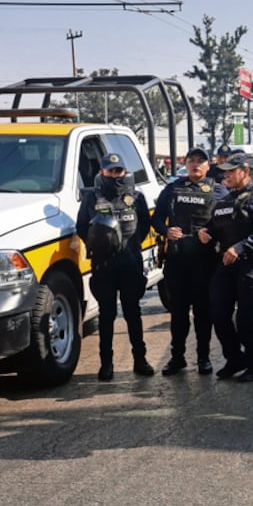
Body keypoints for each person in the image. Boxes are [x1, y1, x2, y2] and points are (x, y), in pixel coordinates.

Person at [75, 152, 154, 381]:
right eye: (110, 171)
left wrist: (128, 248)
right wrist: (101, 245)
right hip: (104, 264)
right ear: (102, 172)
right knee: (106, 315)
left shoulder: (136, 197)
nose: (115, 175)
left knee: (133, 313)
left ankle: (140, 360)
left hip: (130, 263)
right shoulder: (92, 198)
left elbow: (143, 226)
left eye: (118, 170)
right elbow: (82, 227)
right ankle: (106, 364)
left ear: (124, 172)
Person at [198, 152, 253, 382]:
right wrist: (207, 232)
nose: (227, 174)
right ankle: (235, 359)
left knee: (245, 318)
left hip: (251, 264)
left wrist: (239, 248)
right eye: (226, 171)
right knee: (218, 313)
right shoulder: (225, 198)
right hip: (228, 264)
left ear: (246, 171)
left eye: (232, 171)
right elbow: (217, 225)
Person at [151, 146, 227, 377]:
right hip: (177, 260)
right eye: (191, 160)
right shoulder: (173, 188)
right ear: (186, 163)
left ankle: (203, 358)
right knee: (179, 313)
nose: (196, 164)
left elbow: (228, 221)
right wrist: (166, 231)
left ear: (208, 165)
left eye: (200, 161)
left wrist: (212, 232)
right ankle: (177, 358)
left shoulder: (219, 191)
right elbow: (155, 220)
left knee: (203, 313)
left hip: (205, 262)